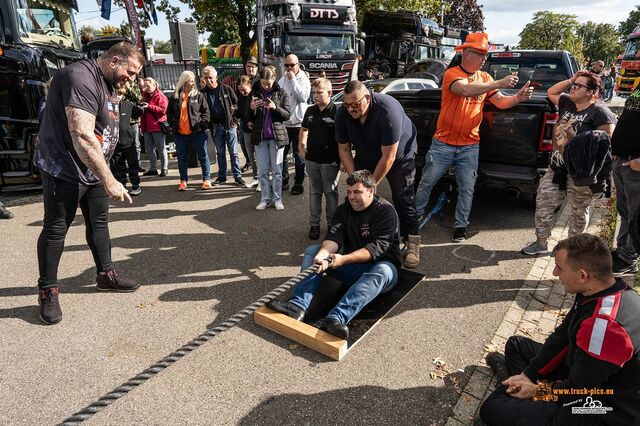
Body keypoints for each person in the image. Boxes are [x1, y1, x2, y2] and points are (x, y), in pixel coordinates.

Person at [33, 41, 144, 325]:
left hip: (93, 167)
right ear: (114, 60)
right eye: (129, 72)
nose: (131, 79)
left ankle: (105, 274)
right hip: (64, 168)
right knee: (57, 227)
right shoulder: (79, 77)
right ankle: (48, 290)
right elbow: (82, 135)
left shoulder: (109, 82)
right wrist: (110, 179)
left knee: (99, 222)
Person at [480, 233, 640, 426]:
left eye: (560, 268)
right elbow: (562, 337)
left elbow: (579, 390)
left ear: (582, 275)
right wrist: (527, 375)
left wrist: (537, 391)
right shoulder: (601, 290)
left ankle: (514, 396)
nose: (555, 273)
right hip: (582, 371)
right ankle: (516, 389)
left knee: (492, 408)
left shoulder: (603, 327)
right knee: (515, 345)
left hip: (600, 408)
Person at [414, 32, 534, 243]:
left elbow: (500, 102)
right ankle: (413, 219)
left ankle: (461, 226)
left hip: (470, 145)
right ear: (467, 54)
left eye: (485, 55)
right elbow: (465, 90)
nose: (484, 59)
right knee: (426, 182)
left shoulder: (485, 78)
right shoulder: (452, 73)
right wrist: (497, 83)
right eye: (481, 54)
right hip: (443, 143)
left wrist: (517, 97)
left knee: (467, 188)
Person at [267, 170, 401, 339]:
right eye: (349, 192)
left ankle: (335, 319)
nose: (352, 197)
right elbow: (334, 237)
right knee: (312, 251)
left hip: (381, 271)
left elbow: (376, 248)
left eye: (357, 192)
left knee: (382, 270)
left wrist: (343, 259)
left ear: (371, 191)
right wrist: (323, 254)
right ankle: (297, 306)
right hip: (353, 267)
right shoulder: (343, 210)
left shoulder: (385, 212)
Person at [522, 71, 616, 255]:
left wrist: (580, 141)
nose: (573, 87)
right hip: (557, 168)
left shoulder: (599, 112)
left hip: (581, 173)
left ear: (591, 92)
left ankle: (574, 250)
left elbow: (608, 140)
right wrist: (572, 79)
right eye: (574, 84)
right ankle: (541, 243)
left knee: (578, 211)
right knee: (544, 202)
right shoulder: (568, 103)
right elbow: (552, 92)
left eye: (579, 85)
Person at [335, 80, 421, 268]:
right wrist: (356, 181)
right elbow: (344, 150)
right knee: (355, 195)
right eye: (346, 104)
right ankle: (355, 239)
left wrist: (371, 184)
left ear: (367, 97)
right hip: (367, 153)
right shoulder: (342, 113)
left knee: (403, 197)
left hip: (399, 156)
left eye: (355, 104)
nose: (351, 109)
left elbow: (388, 157)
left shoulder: (387, 111)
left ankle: (411, 242)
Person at [299, 77, 340, 240]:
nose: (315, 96)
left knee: (330, 194)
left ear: (329, 93)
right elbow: (303, 129)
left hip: (331, 161)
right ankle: (314, 225)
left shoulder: (338, 112)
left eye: (319, 93)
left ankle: (332, 226)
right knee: (314, 193)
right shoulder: (310, 110)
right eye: (313, 92)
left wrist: (344, 159)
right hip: (312, 160)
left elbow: (345, 138)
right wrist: (301, 146)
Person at [249, 66, 291, 210]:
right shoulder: (254, 92)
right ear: (260, 80)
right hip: (260, 138)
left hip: (276, 137)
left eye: (269, 83)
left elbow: (287, 115)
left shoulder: (281, 92)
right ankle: (265, 199)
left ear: (274, 79)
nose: (266, 86)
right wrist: (251, 108)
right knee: (263, 171)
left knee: (277, 171)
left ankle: (277, 199)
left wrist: (275, 108)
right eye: (263, 83)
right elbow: (246, 116)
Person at [610, 85, 640, 275]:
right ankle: (622, 253)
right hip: (623, 160)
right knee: (625, 212)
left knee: (636, 216)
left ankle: (629, 260)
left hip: (636, 165)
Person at [167, 71, 211, 191]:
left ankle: (206, 179)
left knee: (203, 156)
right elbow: (169, 113)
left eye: (193, 81)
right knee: (182, 158)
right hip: (180, 134)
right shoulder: (175, 96)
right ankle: (183, 181)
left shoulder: (199, 95)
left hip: (197, 133)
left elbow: (206, 113)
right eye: (191, 81)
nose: (193, 83)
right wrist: (173, 124)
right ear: (184, 81)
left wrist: (201, 126)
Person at [201, 66, 245, 187]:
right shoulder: (203, 93)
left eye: (210, 77)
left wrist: (235, 121)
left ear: (215, 77)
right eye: (206, 78)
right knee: (220, 153)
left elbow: (237, 104)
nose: (208, 80)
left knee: (234, 153)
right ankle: (222, 177)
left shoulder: (226, 89)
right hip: (216, 127)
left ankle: (238, 176)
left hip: (229, 126)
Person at [278, 54, 310, 195]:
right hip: (285, 123)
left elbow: (303, 97)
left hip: (299, 124)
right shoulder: (282, 79)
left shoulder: (304, 79)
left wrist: (293, 81)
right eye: (287, 65)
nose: (289, 68)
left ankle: (298, 183)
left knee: (298, 156)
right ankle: (284, 181)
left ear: (298, 65)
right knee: (282, 154)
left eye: (292, 65)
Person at [110, 92, 144, 195]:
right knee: (118, 165)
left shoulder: (128, 104)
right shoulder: (109, 106)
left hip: (129, 140)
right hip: (115, 142)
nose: (118, 97)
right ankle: (122, 185)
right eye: (116, 95)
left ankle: (135, 185)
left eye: (120, 95)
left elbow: (138, 112)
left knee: (133, 163)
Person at [140, 77, 169, 177]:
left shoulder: (160, 96)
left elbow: (163, 110)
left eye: (148, 85)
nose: (147, 88)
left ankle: (164, 168)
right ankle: (153, 169)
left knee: (161, 148)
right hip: (147, 127)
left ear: (154, 85)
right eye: (145, 86)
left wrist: (149, 106)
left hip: (157, 126)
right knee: (149, 149)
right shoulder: (145, 96)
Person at [235, 75, 259, 189]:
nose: (242, 92)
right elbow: (240, 114)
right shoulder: (240, 97)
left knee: (258, 155)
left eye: (244, 89)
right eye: (240, 90)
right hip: (245, 130)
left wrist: (251, 120)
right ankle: (256, 177)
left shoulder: (254, 95)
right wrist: (234, 111)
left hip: (256, 130)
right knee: (251, 156)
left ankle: (261, 178)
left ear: (249, 85)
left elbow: (258, 113)